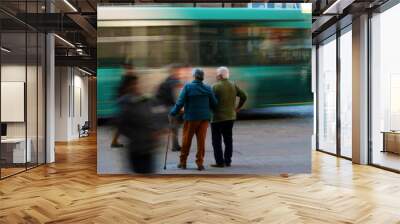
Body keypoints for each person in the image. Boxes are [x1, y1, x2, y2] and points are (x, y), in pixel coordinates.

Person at [117, 75, 168, 173]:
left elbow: (159, 114)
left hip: (148, 148)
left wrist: (160, 129)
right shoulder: (127, 103)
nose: (138, 86)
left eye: (138, 84)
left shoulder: (145, 100)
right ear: (128, 87)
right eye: (135, 84)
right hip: (137, 149)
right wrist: (142, 136)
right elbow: (122, 126)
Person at [169, 68, 218, 171]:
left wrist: (173, 112)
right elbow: (214, 104)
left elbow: (180, 102)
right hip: (204, 119)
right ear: (202, 77)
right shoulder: (208, 88)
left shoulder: (188, 87)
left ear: (194, 76)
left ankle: (183, 162)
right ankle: (200, 163)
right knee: (201, 141)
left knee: (186, 140)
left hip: (191, 118)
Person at [210, 67, 247, 168]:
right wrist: (238, 108)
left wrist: (211, 110)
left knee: (216, 141)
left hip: (217, 118)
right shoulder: (233, 85)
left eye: (217, 74)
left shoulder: (215, 87)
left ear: (220, 76)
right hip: (230, 117)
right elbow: (244, 96)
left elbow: (210, 101)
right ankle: (228, 161)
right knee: (228, 140)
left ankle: (219, 162)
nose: (216, 76)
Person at [156, 64, 185, 152]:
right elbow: (177, 96)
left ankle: (174, 145)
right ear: (174, 71)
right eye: (177, 70)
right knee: (174, 127)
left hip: (166, 107)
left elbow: (158, 95)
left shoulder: (165, 81)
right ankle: (175, 146)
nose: (178, 72)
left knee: (173, 127)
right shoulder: (175, 82)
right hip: (174, 107)